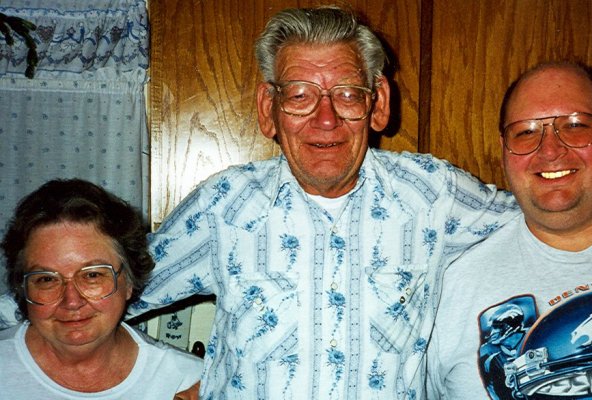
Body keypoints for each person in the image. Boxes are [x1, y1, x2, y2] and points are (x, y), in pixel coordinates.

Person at [122, 6, 519, 399]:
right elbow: (103, 296)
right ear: (268, 109)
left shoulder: (433, 194)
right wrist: (179, 375)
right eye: (299, 95)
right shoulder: (226, 206)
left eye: (347, 94)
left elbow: (547, 224)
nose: (325, 119)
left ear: (377, 103)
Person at [425, 61, 592, 400]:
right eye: (525, 132)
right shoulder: (452, 286)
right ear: (504, 149)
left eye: (575, 125)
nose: (550, 150)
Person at [0, 179, 203, 399]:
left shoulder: (187, 383)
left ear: (128, 282)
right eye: (47, 279)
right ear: (23, 288)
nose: (71, 301)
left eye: (92, 275)